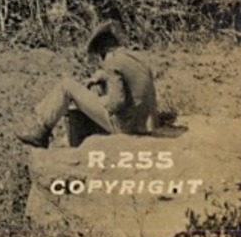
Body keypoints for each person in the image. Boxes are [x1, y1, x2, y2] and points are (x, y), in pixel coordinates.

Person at [16, 21, 158, 148]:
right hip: (145, 124)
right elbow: (131, 82)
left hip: (126, 127)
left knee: (66, 86)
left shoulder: (112, 63)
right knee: (87, 97)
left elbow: (116, 103)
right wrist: (102, 78)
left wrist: (99, 100)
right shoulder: (137, 57)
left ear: (103, 52)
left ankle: (41, 131)